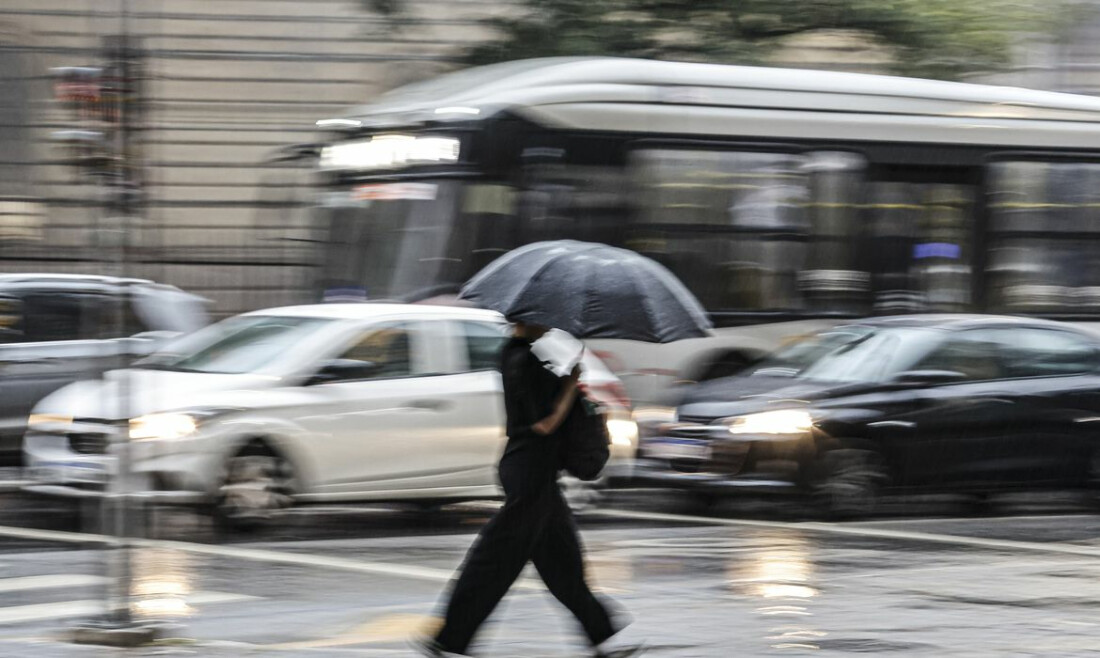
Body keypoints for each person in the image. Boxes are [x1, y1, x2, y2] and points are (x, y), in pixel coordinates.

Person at [414, 321, 640, 657]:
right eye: (542, 320)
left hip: (535, 474)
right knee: (494, 562)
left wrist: (567, 381)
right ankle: (448, 639)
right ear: (526, 319)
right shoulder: (524, 361)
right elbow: (543, 424)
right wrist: (570, 385)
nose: (548, 326)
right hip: (530, 477)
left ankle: (602, 636)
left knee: (563, 564)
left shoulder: (515, 355)